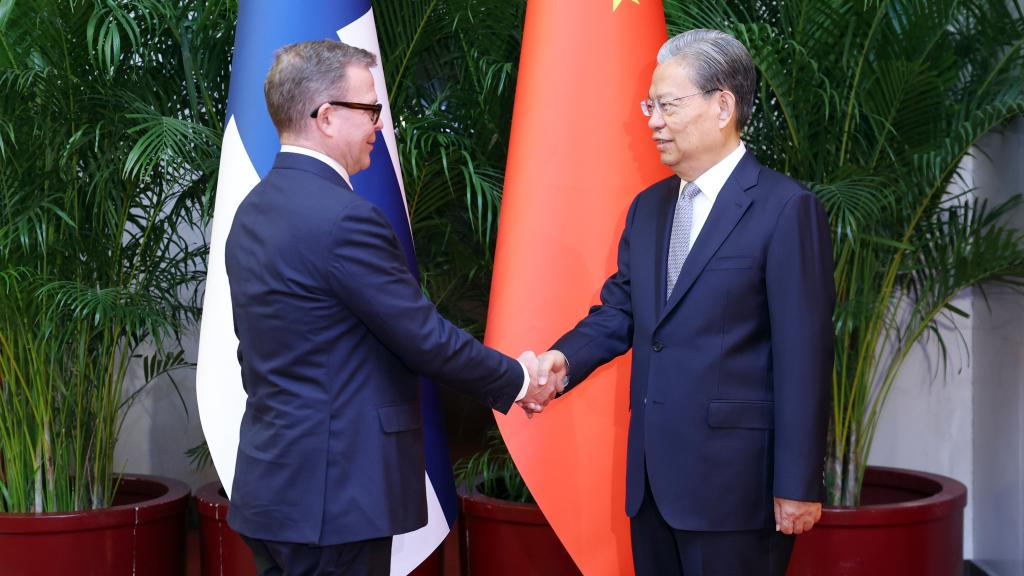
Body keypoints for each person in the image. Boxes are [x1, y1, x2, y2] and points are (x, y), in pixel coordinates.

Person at [224, 40, 557, 576]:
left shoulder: (251, 212)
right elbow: (423, 338)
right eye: (370, 109)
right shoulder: (343, 219)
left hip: (275, 488)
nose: (380, 124)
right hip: (335, 498)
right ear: (327, 117)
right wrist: (519, 379)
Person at [533, 29, 835, 576]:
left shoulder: (785, 208)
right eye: (651, 105)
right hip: (651, 485)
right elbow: (621, 310)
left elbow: (804, 355)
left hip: (737, 489)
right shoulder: (648, 208)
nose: (652, 120)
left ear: (723, 106)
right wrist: (563, 360)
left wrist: (798, 483)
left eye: (667, 105)